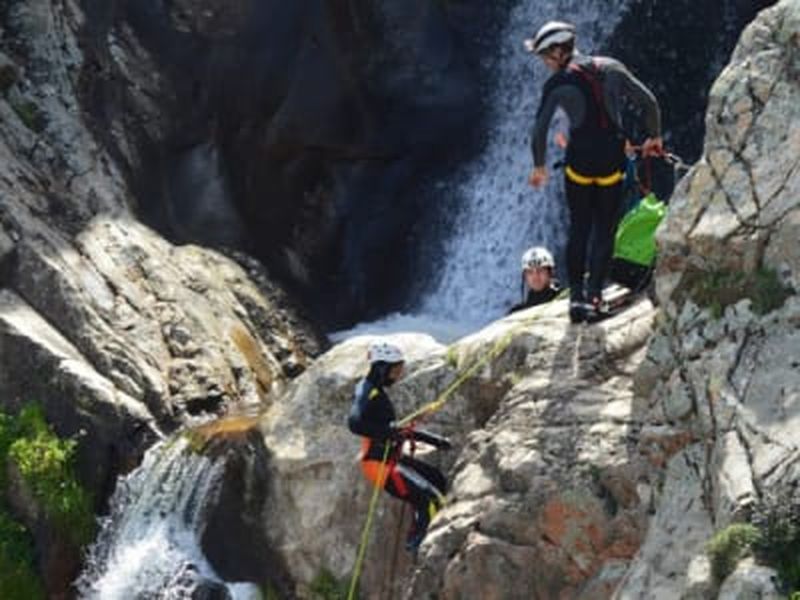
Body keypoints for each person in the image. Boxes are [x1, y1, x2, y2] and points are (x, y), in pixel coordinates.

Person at [525, 21, 663, 323]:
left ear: (560, 51)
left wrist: (539, 166)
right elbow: (648, 102)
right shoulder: (611, 67)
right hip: (612, 164)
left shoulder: (558, 83)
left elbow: (538, 131)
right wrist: (653, 138)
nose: (545, 64)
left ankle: (576, 299)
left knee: (580, 228)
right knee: (604, 231)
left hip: (580, 167)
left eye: (546, 57)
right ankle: (596, 296)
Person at [347, 341, 451, 552]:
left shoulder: (375, 391)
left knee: (437, 479)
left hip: (391, 458)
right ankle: (420, 544)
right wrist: (389, 432)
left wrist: (435, 441)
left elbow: (397, 429)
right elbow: (355, 423)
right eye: (395, 370)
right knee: (430, 500)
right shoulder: (367, 392)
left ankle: (419, 522)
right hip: (379, 464)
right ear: (381, 368)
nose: (398, 375)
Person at [507, 246, 562, 314]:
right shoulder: (516, 313)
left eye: (540, 270)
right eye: (530, 272)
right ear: (525, 277)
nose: (536, 276)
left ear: (550, 273)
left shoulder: (565, 302)